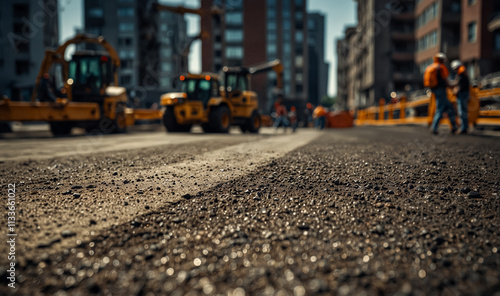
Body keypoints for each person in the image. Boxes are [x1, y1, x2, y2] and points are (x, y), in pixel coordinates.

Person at [426, 53, 458, 135]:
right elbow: (446, 80)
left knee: (450, 107)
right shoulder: (441, 67)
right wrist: (452, 86)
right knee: (440, 109)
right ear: (441, 60)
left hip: (434, 90)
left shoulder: (431, 67)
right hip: (441, 90)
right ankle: (434, 127)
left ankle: (454, 127)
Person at [451, 60, 470, 134]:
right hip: (465, 93)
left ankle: (463, 128)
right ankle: (465, 127)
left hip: (462, 94)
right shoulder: (463, 72)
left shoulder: (461, 74)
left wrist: (456, 91)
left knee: (462, 111)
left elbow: (460, 86)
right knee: (464, 111)